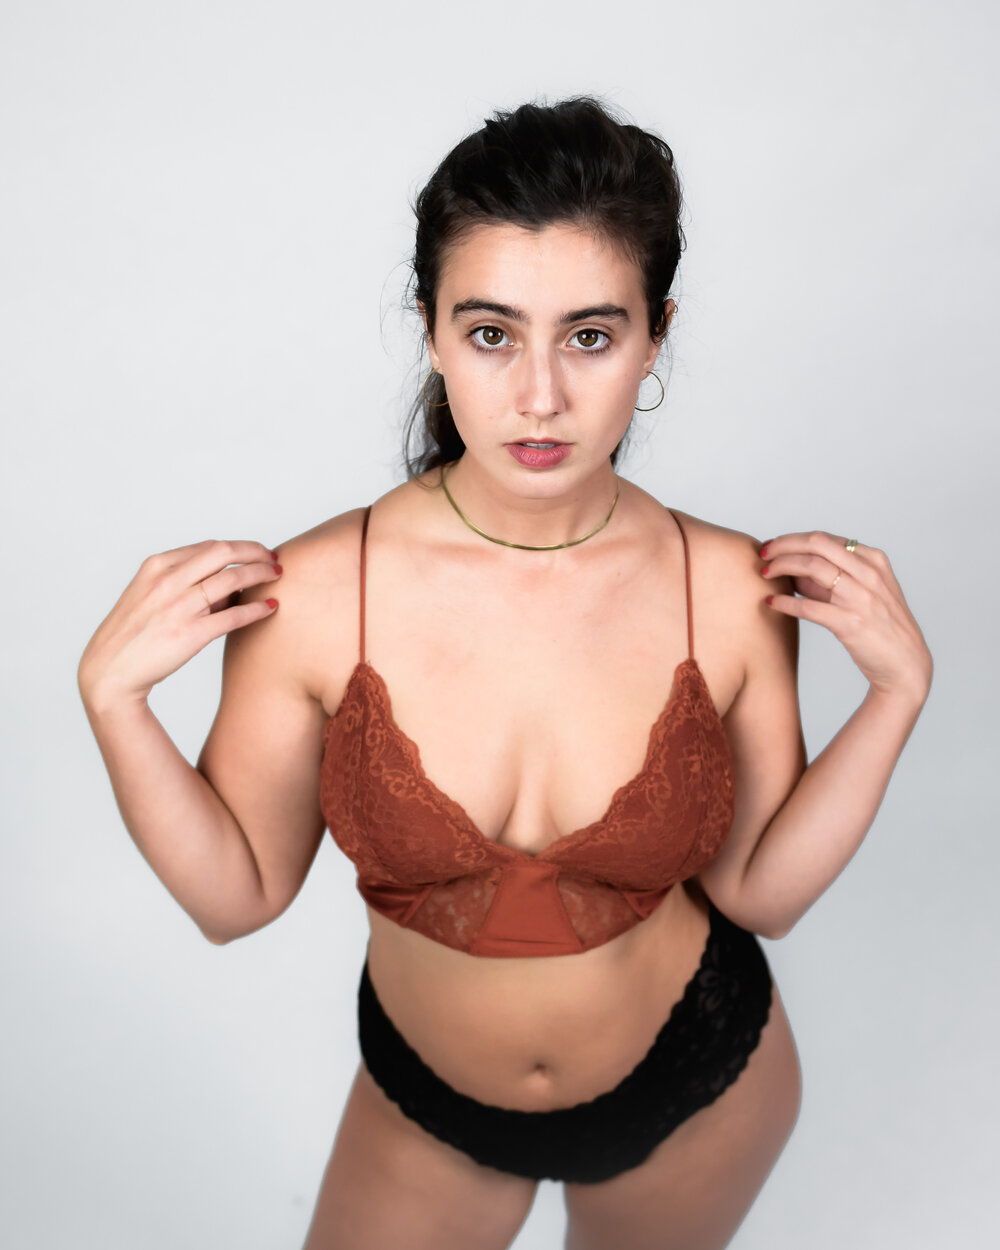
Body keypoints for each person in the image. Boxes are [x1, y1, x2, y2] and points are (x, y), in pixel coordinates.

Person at [77, 95, 933, 1250]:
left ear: (654, 335)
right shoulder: (316, 596)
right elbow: (236, 898)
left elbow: (759, 895)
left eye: (589, 335)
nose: (539, 396)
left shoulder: (729, 587)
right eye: (491, 334)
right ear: (430, 330)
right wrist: (114, 701)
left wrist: (894, 696)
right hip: (427, 1104)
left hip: (699, 1081)